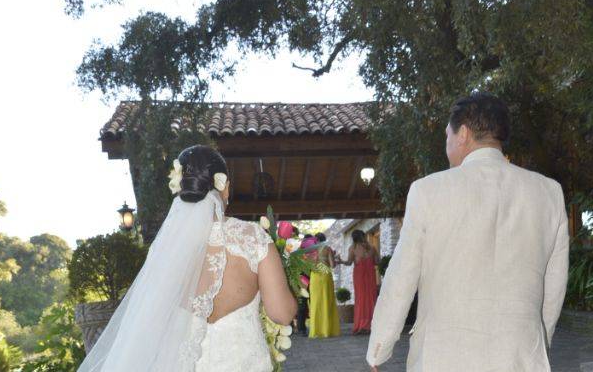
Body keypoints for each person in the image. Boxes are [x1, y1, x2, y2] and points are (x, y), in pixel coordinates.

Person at [367, 93, 569, 371]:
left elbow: (401, 279)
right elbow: (554, 284)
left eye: (446, 136)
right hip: (521, 354)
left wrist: (379, 349)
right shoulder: (549, 192)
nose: (446, 144)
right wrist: (539, 341)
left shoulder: (428, 190)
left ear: (462, 134)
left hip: (444, 356)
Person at [79, 145, 297, 372]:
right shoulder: (253, 238)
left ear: (181, 188)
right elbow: (282, 314)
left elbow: (151, 325)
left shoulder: (166, 249)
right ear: (226, 188)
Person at [335, 229, 379, 334]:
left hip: (359, 276)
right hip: (370, 276)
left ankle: (361, 325)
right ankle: (371, 325)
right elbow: (378, 262)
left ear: (353, 238)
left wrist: (340, 261)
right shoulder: (372, 248)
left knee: (360, 299)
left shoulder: (353, 248)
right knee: (371, 299)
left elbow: (349, 263)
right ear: (364, 236)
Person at [308, 232, 341, 338]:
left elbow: (309, 264)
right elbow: (332, 265)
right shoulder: (328, 249)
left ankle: (316, 330)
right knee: (327, 301)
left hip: (315, 277)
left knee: (316, 302)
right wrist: (336, 259)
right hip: (326, 275)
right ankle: (327, 330)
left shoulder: (311, 250)